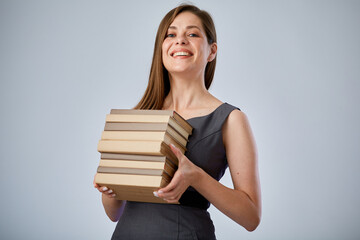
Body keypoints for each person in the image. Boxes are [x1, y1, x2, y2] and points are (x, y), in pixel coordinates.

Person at [94, 4, 261, 239]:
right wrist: (109, 187)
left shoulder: (231, 120)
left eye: (192, 34)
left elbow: (251, 217)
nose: (180, 41)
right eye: (171, 35)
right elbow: (114, 213)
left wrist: (196, 176)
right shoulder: (138, 117)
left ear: (212, 51)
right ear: (162, 48)